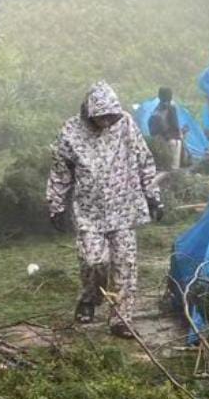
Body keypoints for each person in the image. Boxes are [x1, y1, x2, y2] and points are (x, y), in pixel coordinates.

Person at [47, 81, 164, 339]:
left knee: (125, 264)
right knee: (93, 261)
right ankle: (89, 298)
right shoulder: (70, 132)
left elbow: (144, 160)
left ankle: (121, 319)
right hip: (89, 212)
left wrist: (154, 197)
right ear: (90, 113)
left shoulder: (126, 125)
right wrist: (56, 206)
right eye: (102, 117)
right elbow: (60, 171)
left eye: (111, 117)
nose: (107, 122)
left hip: (124, 209)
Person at [148, 87, 183, 169]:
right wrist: (180, 135)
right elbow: (175, 125)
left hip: (157, 139)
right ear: (170, 96)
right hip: (170, 140)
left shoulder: (156, 109)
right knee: (174, 166)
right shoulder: (171, 108)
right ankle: (175, 175)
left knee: (165, 165)